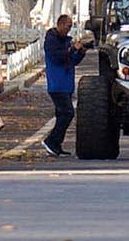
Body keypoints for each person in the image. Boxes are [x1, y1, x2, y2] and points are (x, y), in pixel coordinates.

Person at [41, 13, 81, 155]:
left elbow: (73, 60)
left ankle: (56, 145)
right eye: (68, 26)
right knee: (67, 113)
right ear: (61, 24)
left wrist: (81, 51)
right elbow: (58, 57)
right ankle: (51, 140)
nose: (69, 30)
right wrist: (72, 49)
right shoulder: (51, 40)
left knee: (61, 114)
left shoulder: (67, 41)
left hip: (67, 83)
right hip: (57, 83)